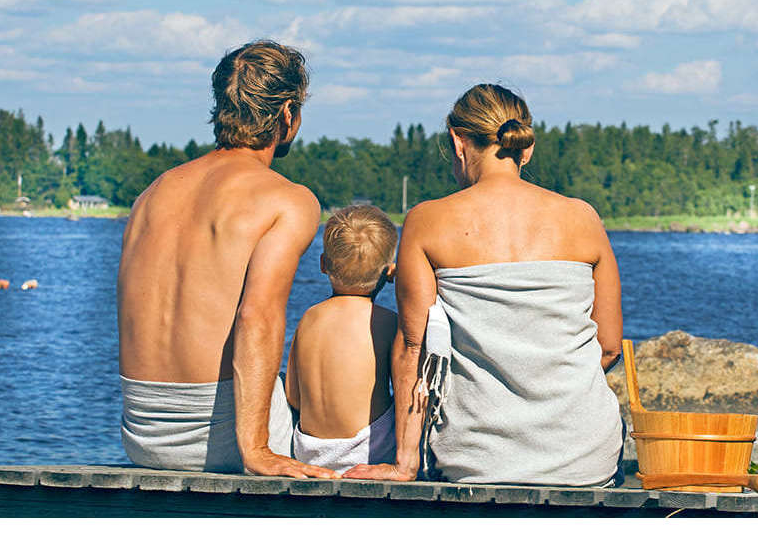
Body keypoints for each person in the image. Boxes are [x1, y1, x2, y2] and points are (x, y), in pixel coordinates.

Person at [344, 83, 625, 486]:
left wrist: (405, 463)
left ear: (459, 142)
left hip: (477, 459)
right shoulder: (583, 218)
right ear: (525, 147)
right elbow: (609, 346)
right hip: (584, 457)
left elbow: (413, 348)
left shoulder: (427, 221)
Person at [117, 40, 338, 478]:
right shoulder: (288, 200)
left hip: (143, 434)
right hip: (220, 439)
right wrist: (256, 448)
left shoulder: (152, 193)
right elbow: (257, 319)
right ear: (288, 114)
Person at [285, 204, 398, 472]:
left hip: (311, 452)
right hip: (368, 452)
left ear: (323, 264)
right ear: (390, 272)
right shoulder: (388, 322)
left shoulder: (309, 318)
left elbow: (293, 395)